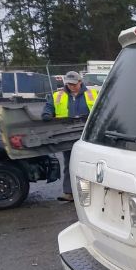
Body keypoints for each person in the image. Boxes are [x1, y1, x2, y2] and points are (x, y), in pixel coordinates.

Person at [42, 71, 98, 202]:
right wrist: (47, 113)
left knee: (86, 165)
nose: (71, 86)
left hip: (87, 136)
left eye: (74, 84)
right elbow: (49, 107)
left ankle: (86, 194)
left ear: (80, 82)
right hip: (66, 135)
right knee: (69, 164)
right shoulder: (58, 95)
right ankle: (69, 192)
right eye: (69, 84)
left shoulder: (92, 94)